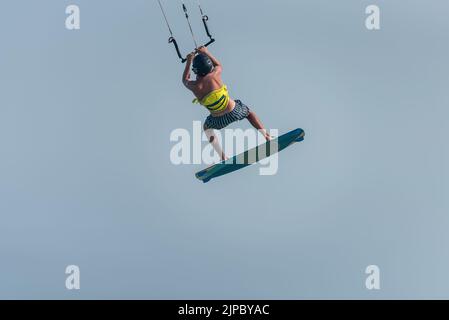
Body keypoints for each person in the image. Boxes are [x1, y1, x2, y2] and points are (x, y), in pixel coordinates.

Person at [182, 46, 272, 161]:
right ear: (209, 67)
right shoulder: (215, 74)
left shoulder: (195, 86)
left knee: (207, 128)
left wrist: (189, 61)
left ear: (196, 71)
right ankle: (267, 136)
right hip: (234, 111)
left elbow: (185, 80)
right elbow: (218, 65)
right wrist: (206, 52)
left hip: (218, 121)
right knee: (249, 113)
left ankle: (222, 156)